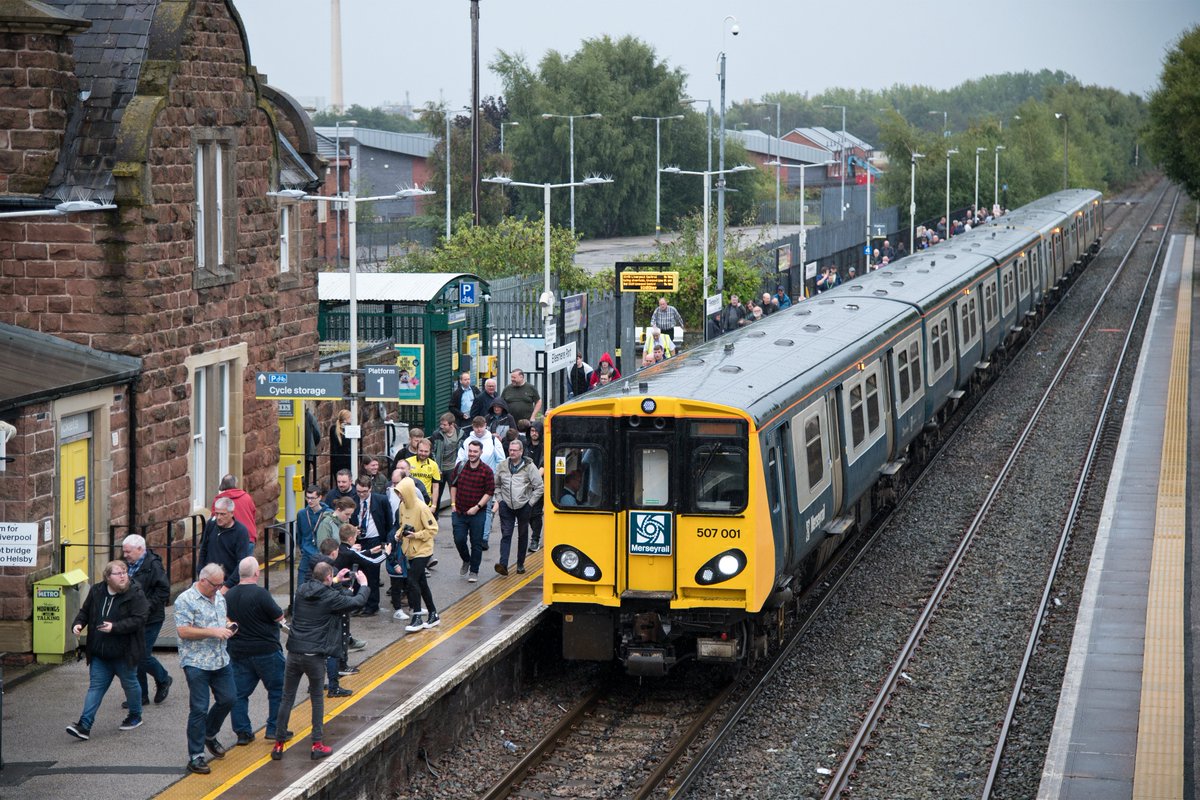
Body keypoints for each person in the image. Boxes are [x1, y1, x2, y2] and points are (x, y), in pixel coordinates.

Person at [271, 562, 368, 762]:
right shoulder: (330, 597)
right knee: (316, 698)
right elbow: (356, 601)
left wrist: (335, 580)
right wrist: (364, 584)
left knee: (287, 697)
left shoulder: (301, 591)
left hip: (294, 652)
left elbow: (321, 588)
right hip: (314, 655)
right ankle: (317, 744)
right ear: (328, 576)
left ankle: (278, 744)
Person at [66, 560, 149, 740]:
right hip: (100, 653)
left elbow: (140, 619)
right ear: (107, 577)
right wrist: (79, 624)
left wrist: (115, 627)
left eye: (125, 572)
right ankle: (84, 725)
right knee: (95, 688)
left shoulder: (135, 593)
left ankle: (135, 715)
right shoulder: (97, 591)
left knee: (130, 684)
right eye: (118, 573)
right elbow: (85, 611)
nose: (123, 576)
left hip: (124, 653)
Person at [175, 563, 237, 775]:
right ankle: (195, 755)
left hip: (220, 659)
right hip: (196, 662)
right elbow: (183, 631)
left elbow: (221, 618)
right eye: (215, 585)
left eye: (221, 584)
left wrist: (229, 625)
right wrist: (213, 632)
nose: (219, 589)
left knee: (229, 699)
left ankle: (209, 734)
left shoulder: (219, 596)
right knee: (199, 708)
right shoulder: (185, 600)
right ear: (203, 581)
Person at [225, 557, 286, 746]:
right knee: (277, 691)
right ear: (256, 573)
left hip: (239, 651)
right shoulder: (261, 594)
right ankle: (274, 729)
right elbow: (279, 616)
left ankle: (243, 732)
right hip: (266, 650)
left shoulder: (229, 596)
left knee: (239, 694)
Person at [123, 534, 172, 708]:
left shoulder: (153, 566)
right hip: (133, 618)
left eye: (128, 552)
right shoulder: (126, 565)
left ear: (140, 549)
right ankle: (140, 695)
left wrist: (145, 606)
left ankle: (163, 678)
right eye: (124, 551)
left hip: (151, 618)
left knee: (141, 655)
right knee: (134, 655)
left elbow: (164, 591)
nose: (125, 555)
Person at [393, 477, 440, 631]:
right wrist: (399, 533)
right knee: (421, 582)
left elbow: (433, 529)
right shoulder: (402, 506)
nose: (399, 496)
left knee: (412, 580)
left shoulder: (422, 508)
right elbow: (402, 525)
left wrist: (416, 535)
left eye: (401, 493)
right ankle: (433, 614)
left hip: (423, 550)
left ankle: (417, 616)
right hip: (410, 550)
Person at [491, 439, 544, 576]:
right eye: (510, 450)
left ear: (521, 451)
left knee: (522, 534)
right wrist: (500, 499)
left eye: (515, 450)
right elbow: (496, 484)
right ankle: (503, 564)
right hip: (506, 505)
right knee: (506, 534)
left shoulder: (529, 466)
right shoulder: (502, 465)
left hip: (524, 506)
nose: (512, 452)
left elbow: (539, 487)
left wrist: (530, 503)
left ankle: (520, 564)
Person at [456, 416, 505, 551]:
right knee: (471, 508)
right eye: (476, 427)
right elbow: (460, 460)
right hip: (469, 480)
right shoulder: (467, 441)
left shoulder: (493, 441)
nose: (478, 429)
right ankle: (471, 535)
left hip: (487, 479)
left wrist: (498, 478)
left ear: (485, 426)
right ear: (472, 426)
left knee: (486, 509)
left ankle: (484, 538)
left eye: (481, 426)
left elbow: (501, 460)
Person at [449, 440, 495, 583]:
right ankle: (466, 560)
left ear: (481, 452)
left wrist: (477, 507)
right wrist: (453, 504)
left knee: (476, 543)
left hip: (478, 513)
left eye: (475, 451)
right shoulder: (460, 466)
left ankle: (474, 571)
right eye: (470, 451)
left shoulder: (487, 471)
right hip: (459, 511)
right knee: (459, 539)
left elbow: (489, 492)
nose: (472, 454)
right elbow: (453, 485)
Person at [350, 476, 391, 615]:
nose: (361, 494)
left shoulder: (381, 500)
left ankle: (372, 605)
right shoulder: (353, 500)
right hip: (357, 541)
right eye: (359, 491)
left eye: (365, 491)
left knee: (372, 573)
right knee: (356, 572)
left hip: (374, 540)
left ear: (370, 489)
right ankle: (357, 603)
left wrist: (385, 541)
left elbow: (388, 520)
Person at [198, 497, 253, 589]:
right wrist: (200, 573)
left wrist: (227, 586)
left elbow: (241, 562)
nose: (219, 517)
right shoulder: (211, 525)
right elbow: (203, 550)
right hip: (208, 581)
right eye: (217, 513)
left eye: (223, 514)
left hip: (228, 583)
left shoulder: (240, 531)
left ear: (231, 513)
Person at [295, 485, 335, 586]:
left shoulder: (329, 513)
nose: (309, 501)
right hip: (307, 555)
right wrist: (303, 548)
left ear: (320, 497)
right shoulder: (302, 514)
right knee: (301, 587)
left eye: (312, 498)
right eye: (307, 498)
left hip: (322, 556)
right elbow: (300, 534)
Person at [430, 413, 464, 512]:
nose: (442, 426)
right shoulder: (437, 434)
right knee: (437, 494)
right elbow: (432, 452)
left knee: (455, 493)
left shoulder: (460, 434)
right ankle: (434, 517)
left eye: (444, 425)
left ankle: (456, 516)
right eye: (441, 424)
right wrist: (436, 467)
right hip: (439, 468)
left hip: (453, 468)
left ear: (452, 425)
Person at [211, 474, 258, 543]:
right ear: (235, 484)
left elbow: (214, 520)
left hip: (229, 540)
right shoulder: (246, 497)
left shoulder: (218, 500)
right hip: (248, 536)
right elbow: (253, 514)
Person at [524, 421, 546, 552]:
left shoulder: (544, 446)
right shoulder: (526, 446)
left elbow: (543, 465)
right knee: (527, 513)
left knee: (536, 513)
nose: (534, 433)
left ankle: (535, 539)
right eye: (532, 431)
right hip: (524, 484)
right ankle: (534, 534)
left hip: (539, 484)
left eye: (536, 431)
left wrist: (535, 480)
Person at [405, 439, 442, 510]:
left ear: (430, 451)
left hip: (425, 502)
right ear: (417, 450)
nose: (423, 453)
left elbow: (435, 487)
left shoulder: (434, 465)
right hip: (409, 500)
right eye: (421, 451)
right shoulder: (408, 462)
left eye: (426, 451)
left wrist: (434, 505)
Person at [328, 409, 352, 481]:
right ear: (345, 420)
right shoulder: (335, 429)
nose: (352, 419)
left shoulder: (335, 428)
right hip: (343, 461)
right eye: (350, 418)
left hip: (341, 461)